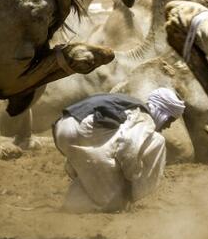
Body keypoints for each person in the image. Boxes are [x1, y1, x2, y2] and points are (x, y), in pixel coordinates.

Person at [52, 88, 186, 213]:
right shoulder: (144, 117)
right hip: (82, 130)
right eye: (170, 120)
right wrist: (130, 183)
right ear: (163, 111)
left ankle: (76, 201)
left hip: (63, 127)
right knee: (115, 200)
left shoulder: (132, 105)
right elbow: (129, 148)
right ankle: (76, 207)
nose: (168, 126)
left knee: (102, 173)